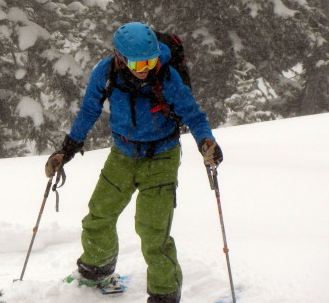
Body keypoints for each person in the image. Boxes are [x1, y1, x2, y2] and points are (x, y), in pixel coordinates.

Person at [45, 22, 223, 303]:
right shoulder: (105, 73)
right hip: (123, 154)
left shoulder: (167, 76)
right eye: (138, 63)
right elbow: (89, 110)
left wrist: (206, 142)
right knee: (98, 215)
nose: (145, 69)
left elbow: (194, 114)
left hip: (161, 156)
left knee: (153, 231)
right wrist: (67, 149)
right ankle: (97, 269)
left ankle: (165, 294)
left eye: (151, 61)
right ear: (119, 57)